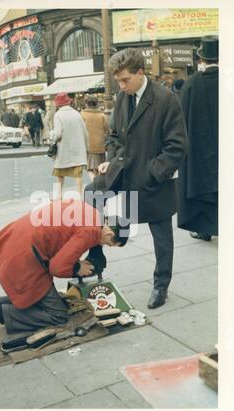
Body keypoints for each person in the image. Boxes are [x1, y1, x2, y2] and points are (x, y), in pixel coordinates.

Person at [85, 47, 188, 309]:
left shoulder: (166, 99)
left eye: (125, 80)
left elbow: (177, 147)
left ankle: (160, 285)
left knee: (161, 235)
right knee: (91, 193)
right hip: (123, 172)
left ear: (140, 73)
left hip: (152, 182)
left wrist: (153, 172)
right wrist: (112, 157)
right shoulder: (122, 97)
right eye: (118, 81)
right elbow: (113, 136)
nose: (121, 86)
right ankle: (96, 257)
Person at [0, 200, 127, 346]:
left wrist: (80, 258)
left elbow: (66, 235)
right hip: (26, 258)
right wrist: (77, 268)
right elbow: (57, 267)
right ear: (109, 233)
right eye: (108, 244)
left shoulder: (91, 212)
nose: (104, 245)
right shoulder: (91, 231)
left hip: (16, 239)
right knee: (58, 314)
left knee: (40, 299)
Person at [177, 36, 218, 242]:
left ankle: (205, 229)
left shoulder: (192, 84)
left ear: (201, 60)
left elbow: (180, 118)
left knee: (204, 187)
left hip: (201, 149)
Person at [50, 92, 88, 198]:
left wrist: (52, 136)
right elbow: (85, 131)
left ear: (58, 104)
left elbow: (58, 133)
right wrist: (86, 146)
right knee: (78, 174)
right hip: (78, 148)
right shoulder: (77, 114)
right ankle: (79, 195)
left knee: (60, 174)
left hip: (64, 149)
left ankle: (59, 195)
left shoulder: (58, 115)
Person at [81, 95, 109, 181]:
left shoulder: (82, 115)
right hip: (100, 146)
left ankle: (95, 185)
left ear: (86, 104)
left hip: (88, 146)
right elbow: (107, 130)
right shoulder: (102, 115)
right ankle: (99, 184)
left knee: (89, 168)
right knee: (99, 168)